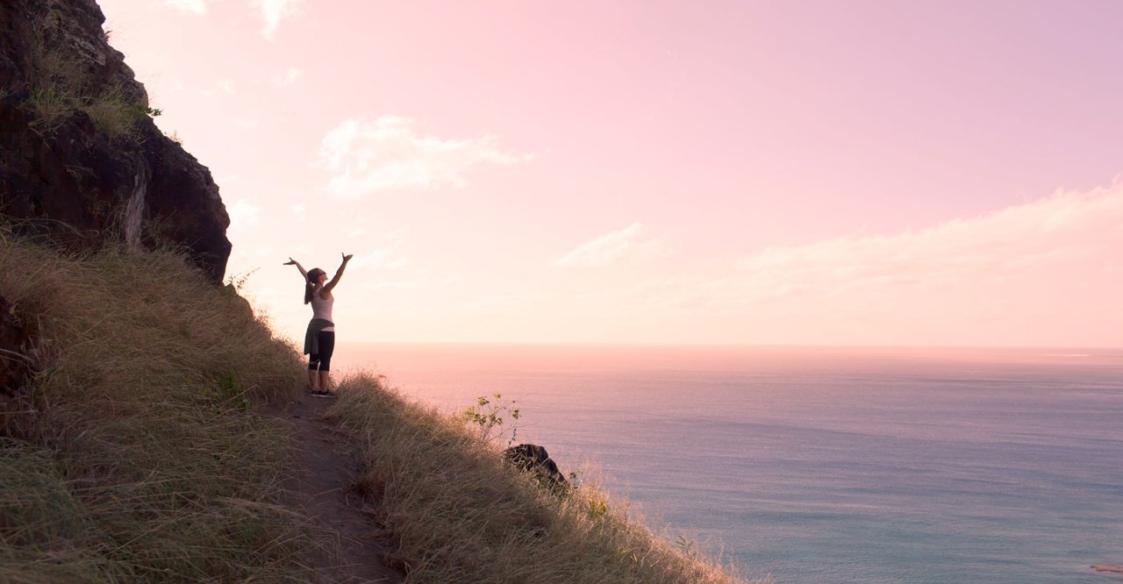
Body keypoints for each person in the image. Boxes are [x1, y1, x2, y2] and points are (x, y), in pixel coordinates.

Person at [283, 253, 353, 396]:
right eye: (322, 272)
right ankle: (323, 390)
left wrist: (297, 263)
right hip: (326, 328)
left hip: (313, 326)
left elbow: (306, 275)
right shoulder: (325, 289)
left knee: (314, 359)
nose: (325, 272)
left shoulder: (311, 288)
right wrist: (344, 262)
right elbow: (337, 277)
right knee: (325, 359)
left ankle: (313, 388)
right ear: (320, 277)